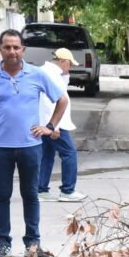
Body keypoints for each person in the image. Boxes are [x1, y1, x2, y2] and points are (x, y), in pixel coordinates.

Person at [0, 29, 68, 257]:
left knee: (31, 195)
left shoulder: (36, 75)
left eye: (16, 47)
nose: (12, 51)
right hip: (0, 147)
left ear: (23, 50)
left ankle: (33, 244)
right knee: (2, 195)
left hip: (30, 146)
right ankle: (3, 244)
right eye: (7, 47)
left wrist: (49, 126)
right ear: (0, 49)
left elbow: (62, 99)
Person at [37, 48, 87, 202]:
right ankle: (67, 190)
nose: (70, 68)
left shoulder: (49, 72)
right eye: (69, 64)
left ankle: (41, 190)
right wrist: (53, 126)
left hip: (46, 123)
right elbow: (48, 101)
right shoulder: (50, 74)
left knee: (47, 155)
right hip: (54, 123)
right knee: (69, 153)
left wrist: (66, 75)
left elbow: (61, 91)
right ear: (64, 61)